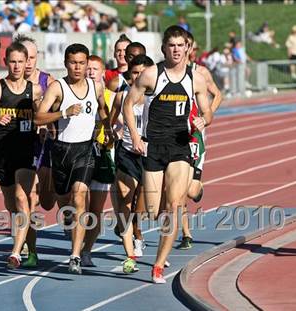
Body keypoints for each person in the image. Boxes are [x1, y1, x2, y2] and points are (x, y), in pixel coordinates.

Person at [123, 25, 213, 283]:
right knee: (153, 211)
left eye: (180, 45)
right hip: (154, 147)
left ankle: (158, 265)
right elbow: (128, 105)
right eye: (171, 45)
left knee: (175, 206)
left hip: (180, 147)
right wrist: (136, 136)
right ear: (164, 48)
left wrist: (203, 121)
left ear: (187, 48)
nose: (176, 50)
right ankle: (167, 191)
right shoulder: (152, 75)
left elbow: (208, 112)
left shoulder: (195, 78)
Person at [35, 43, 113, 274]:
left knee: (80, 196)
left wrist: (107, 128)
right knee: (63, 201)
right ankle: (70, 227)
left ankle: (75, 255)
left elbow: (102, 109)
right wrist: (63, 113)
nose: (77, 67)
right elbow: (38, 117)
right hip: (61, 151)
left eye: (81, 63)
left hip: (85, 151)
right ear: (65, 63)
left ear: (87, 63)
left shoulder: (95, 86)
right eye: (72, 62)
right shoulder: (58, 88)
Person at [0, 42, 43, 269]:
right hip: (3, 152)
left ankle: (15, 252)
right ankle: (31, 248)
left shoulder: (35, 90)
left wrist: (43, 127)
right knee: (13, 206)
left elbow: (41, 115)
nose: (17, 66)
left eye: (21, 62)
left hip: (26, 151)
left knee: (23, 199)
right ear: (6, 62)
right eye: (12, 61)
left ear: (27, 63)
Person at [13, 34, 56, 268]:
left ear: (36, 57)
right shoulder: (9, 83)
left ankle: (60, 194)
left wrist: (48, 124)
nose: (27, 62)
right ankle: (31, 250)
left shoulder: (48, 81)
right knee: (29, 199)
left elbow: (57, 109)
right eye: (23, 57)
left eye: (31, 57)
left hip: (46, 146)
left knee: (48, 201)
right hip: (23, 146)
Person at [176, 32, 222, 250]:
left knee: (191, 191)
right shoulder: (166, 72)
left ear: (191, 48)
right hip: (175, 136)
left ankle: (198, 189)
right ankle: (186, 234)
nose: (181, 50)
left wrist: (205, 118)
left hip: (196, 137)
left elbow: (218, 95)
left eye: (186, 46)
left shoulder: (200, 72)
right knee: (179, 190)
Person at [110, 54, 154, 273]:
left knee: (144, 206)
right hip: (126, 152)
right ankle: (130, 255)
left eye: (142, 73)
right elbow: (110, 122)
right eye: (134, 73)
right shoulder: (122, 97)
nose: (138, 78)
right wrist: (114, 132)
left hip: (149, 155)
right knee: (127, 201)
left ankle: (135, 231)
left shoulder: (155, 98)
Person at [80, 54, 116, 267]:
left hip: (102, 153)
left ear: (103, 73)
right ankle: (77, 239)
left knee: (96, 209)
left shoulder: (111, 97)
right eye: (88, 68)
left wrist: (116, 129)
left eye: (95, 69)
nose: (91, 72)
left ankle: (86, 250)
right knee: (78, 203)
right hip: (79, 153)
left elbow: (119, 120)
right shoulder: (77, 93)